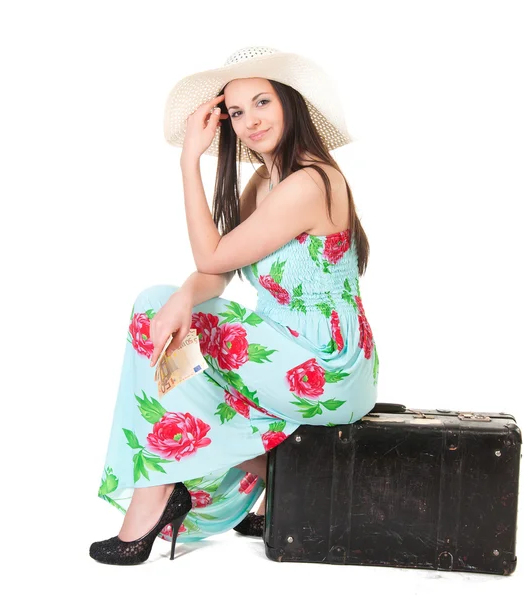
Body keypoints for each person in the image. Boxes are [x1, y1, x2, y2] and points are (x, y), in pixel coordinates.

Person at [89, 46, 380, 566]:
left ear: (291, 104)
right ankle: (261, 473)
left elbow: (212, 253)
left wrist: (188, 161)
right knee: (162, 311)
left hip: (327, 368)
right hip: (287, 359)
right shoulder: (263, 183)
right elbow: (216, 271)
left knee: (153, 316)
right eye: (237, 111)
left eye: (262, 102)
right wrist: (183, 297)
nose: (250, 121)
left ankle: (156, 492)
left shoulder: (311, 181)